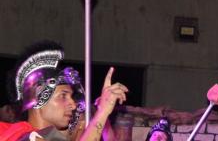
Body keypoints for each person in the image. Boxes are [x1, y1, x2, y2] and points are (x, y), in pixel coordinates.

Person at [0, 42, 128, 141]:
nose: (72, 104)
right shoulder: (28, 137)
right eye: (63, 96)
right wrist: (103, 112)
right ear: (39, 98)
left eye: (71, 96)